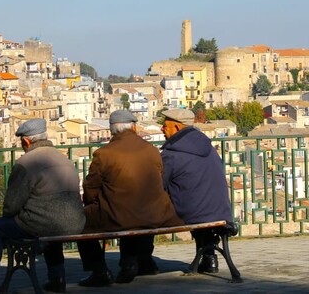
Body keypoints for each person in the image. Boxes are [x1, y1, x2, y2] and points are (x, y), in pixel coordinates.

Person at [0, 119, 85, 294]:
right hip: (75, 222)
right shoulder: (64, 158)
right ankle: (57, 278)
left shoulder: (26, 163)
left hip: (43, 224)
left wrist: (10, 217)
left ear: (26, 141)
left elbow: (12, 205)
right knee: (53, 223)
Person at [77, 109, 184, 287]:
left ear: (112, 130)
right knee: (135, 210)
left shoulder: (104, 154)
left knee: (80, 223)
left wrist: (92, 203)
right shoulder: (152, 150)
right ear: (133, 127)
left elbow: (91, 187)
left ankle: (99, 271)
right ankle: (143, 261)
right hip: (156, 214)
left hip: (120, 215)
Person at [160, 109, 232, 274]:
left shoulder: (171, 154)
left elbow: (158, 186)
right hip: (221, 211)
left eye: (165, 126)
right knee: (199, 203)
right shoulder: (209, 147)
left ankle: (138, 261)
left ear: (177, 128)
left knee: (145, 209)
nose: (161, 129)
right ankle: (209, 257)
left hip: (194, 213)